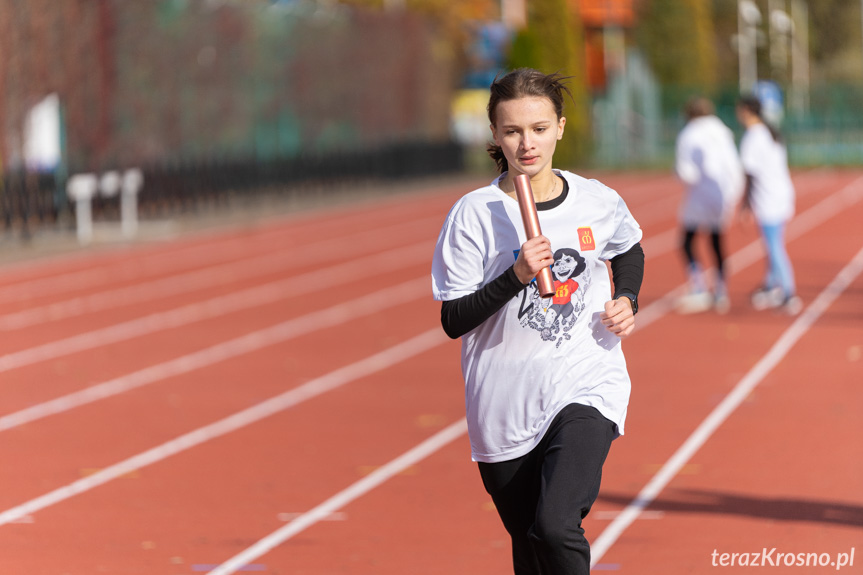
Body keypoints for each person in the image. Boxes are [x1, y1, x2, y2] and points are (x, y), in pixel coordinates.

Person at [431, 68, 644, 575]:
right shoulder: (475, 214)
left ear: (561, 128)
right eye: (513, 131)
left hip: (586, 381)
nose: (528, 144)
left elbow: (628, 247)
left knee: (554, 526)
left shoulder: (595, 198)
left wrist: (628, 298)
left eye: (540, 128)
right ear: (495, 136)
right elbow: (453, 319)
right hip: (504, 402)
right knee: (530, 548)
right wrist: (516, 275)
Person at [674, 97, 744, 314]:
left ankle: (699, 286)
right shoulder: (723, 131)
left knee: (686, 242)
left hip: (699, 196)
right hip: (723, 194)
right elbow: (734, 164)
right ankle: (721, 291)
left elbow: (686, 172)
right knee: (716, 242)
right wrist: (733, 194)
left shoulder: (688, 134)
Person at [736, 95, 802, 315]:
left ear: (746, 110)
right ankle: (771, 285)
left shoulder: (753, 137)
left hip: (768, 198)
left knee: (774, 246)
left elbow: (750, 175)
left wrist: (745, 205)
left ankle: (789, 293)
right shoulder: (769, 132)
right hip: (781, 193)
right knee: (774, 243)